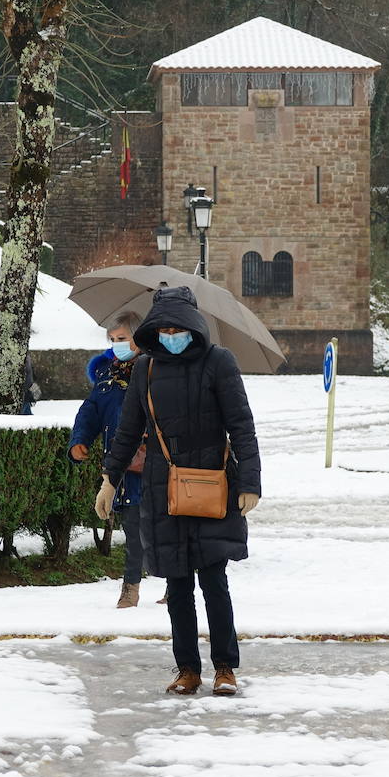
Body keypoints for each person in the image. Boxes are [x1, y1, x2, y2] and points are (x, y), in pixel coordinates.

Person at [99, 287, 261, 697]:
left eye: (178, 328)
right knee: (178, 587)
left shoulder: (218, 362)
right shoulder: (145, 370)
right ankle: (187, 669)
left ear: (194, 327)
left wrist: (250, 483)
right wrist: (109, 478)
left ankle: (225, 667)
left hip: (212, 486)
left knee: (214, 581)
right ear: (153, 331)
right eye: (164, 328)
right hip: (162, 489)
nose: (172, 334)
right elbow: (127, 431)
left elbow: (241, 425)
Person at [69, 312, 147, 608]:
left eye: (122, 339)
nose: (117, 345)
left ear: (138, 338)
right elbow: (90, 411)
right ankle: (131, 588)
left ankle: (173, 583)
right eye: (112, 340)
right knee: (133, 530)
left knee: (156, 530)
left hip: (151, 464)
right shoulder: (106, 374)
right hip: (119, 467)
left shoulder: (154, 370)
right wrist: (79, 441)